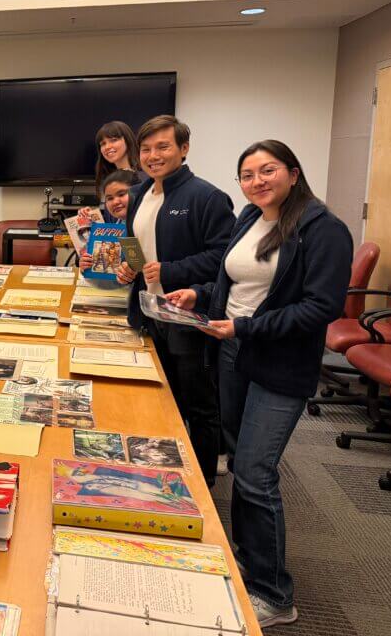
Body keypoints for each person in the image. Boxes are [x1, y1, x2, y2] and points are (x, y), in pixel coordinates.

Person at [166, 141, 351, 629]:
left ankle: (274, 593)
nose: (257, 181)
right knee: (239, 452)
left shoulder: (323, 229)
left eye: (267, 171)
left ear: (293, 172)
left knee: (254, 470)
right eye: (247, 174)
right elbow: (238, 287)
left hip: (278, 362)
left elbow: (321, 307)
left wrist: (245, 328)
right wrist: (200, 294)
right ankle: (249, 559)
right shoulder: (251, 217)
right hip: (232, 350)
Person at [115, 115, 235, 485]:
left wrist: (170, 270)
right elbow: (135, 246)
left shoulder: (207, 197)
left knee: (198, 405)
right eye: (147, 149)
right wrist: (129, 269)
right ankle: (166, 474)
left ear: (183, 149)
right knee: (160, 401)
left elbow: (223, 258)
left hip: (187, 315)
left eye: (163, 147)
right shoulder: (139, 195)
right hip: (150, 313)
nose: (153, 156)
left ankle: (201, 484)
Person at [78, 120, 143, 226]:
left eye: (113, 140)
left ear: (128, 140)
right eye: (103, 144)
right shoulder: (109, 180)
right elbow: (113, 225)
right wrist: (92, 218)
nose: (107, 147)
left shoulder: (145, 179)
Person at [78, 169, 133, 273]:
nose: (115, 202)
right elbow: (105, 271)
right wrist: (86, 266)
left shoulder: (146, 225)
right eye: (109, 198)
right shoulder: (116, 226)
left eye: (121, 194)